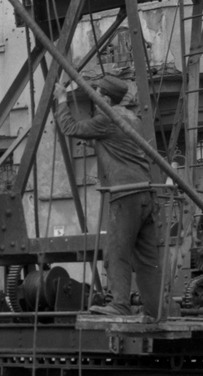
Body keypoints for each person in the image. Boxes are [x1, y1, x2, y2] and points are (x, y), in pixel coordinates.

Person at [54, 74, 162, 317]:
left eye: (96, 96)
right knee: (147, 259)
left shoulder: (107, 118)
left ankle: (120, 304)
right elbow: (119, 144)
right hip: (146, 194)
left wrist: (62, 100)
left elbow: (70, 128)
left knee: (116, 253)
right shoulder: (131, 118)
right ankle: (156, 311)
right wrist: (95, 143)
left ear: (102, 97)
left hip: (125, 194)